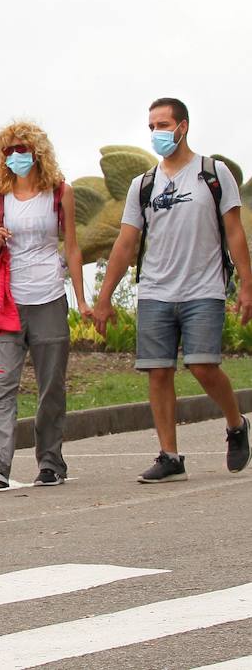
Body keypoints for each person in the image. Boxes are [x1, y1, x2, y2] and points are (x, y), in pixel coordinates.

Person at [92, 97, 252, 482]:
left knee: (201, 364)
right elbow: (126, 242)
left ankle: (236, 424)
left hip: (204, 287)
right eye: (151, 127)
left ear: (183, 127)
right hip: (155, 290)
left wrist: (247, 286)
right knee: (158, 372)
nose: (156, 133)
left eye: (163, 125)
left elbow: (234, 232)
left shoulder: (212, 174)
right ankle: (169, 455)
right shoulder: (143, 185)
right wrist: (104, 296)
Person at [0, 121, 87, 490]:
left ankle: (50, 461)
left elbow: (72, 246)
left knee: (51, 385)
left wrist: (82, 299)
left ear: (37, 152)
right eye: (8, 151)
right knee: (3, 383)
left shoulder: (59, 192)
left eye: (22, 149)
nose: (15, 157)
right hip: (8, 301)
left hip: (48, 296)